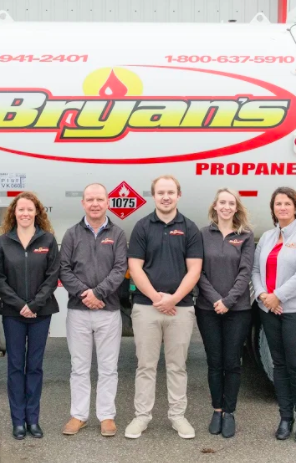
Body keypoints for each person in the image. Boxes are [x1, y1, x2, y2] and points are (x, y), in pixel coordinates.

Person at [124, 175, 203, 440]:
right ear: (153, 195)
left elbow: (195, 269)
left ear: (179, 195)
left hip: (180, 309)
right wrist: (158, 298)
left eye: (170, 192)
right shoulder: (142, 226)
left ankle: (178, 417)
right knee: (145, 366)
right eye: (161, 193)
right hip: (146, 308)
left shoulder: (190, 228)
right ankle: (141, 417)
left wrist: (174, 298)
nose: (166, 197)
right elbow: (134, 266)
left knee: (177, 366)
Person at [251, 186, 296, 444]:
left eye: (287, 204)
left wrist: (278, 296)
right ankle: (284, 418)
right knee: (279, 365)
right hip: (269, 310)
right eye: (277, 204)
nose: (282, 207)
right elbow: (255, 272)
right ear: (273, 209)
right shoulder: (268, 237)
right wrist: (263, 296)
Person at [59, 183, 128, 437]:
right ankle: (79, 415)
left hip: (108, 311)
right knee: (79, 367)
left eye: (100, 199)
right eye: (90, 199)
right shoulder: (71, 234)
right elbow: (63, 269)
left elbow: (120, 269)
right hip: (78, 312)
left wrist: (98, 294)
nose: (95, 204)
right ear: (83, 203)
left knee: (109, 367)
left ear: (108, 202)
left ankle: (106, 416)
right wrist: (85, 295)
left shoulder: (118, 234)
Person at [0, 191, 60, 440]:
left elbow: (52, 276)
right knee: (14, 367)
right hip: (13, 314)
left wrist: (34, 304)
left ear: (37, 213)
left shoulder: (48, 240)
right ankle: (18, 421)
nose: (25, 213)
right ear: (14, 213)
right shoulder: (3, 242)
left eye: (29, 209)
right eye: (20, 209)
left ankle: (33, 420)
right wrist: (20, 304)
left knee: (34, 367)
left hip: (41, 313)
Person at [195, 188, 255, 438]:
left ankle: (229, 411)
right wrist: (215, 299)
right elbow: (197, 272)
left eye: (231, 203)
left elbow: (245, 271)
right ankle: (216, 410)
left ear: (236, 208)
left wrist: (228, 301)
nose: (227, 207)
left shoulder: (246, 236)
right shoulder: (202, 234)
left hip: (238, 310)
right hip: (207, 309)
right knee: (214, 362)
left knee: (232, 362)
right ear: (215, 206)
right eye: (223, 202)